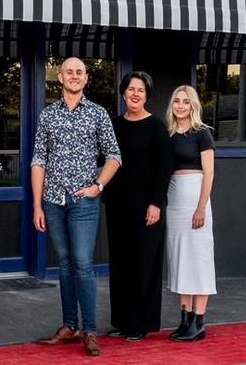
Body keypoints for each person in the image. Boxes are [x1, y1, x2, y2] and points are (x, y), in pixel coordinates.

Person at [32, 57, 122, 357]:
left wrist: (98, 186)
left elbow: (114, 156)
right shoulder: (47, 116)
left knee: (83, 264)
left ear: (86, 78)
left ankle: (90, 330)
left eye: (79, 72)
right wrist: (37, 205)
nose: (74, 76)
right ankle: (69, 326)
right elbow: (38, 161)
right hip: (53, 201)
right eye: (69, 71)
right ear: (60, 77)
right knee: (66, 264)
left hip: (84, 201)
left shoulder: (98, 114)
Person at [104, 71, 172, 341]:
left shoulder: (155, 126)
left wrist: (156, 203)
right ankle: (122, 321)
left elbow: (164, 168)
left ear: (147, 95)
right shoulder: (114, 125)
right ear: (123, 93)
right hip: (118, 206)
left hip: (147, 208)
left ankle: (140, 325)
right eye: (131, 89)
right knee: (120, 264)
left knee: (143, 265)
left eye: (140, 90)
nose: (135, 94)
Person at [165, 84, 217, 343]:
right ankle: (184, 319)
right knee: (180, 258)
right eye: (177, 101)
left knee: (198, 259)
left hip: (195, 198)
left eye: (186, 102)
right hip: (174, 201)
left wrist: (200, 206)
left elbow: (209, 172)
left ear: (193, 105)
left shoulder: (202, 134)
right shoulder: (171, 134)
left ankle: (199, 321)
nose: (181, 106)